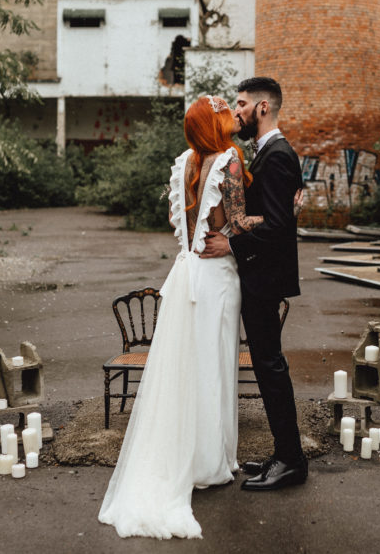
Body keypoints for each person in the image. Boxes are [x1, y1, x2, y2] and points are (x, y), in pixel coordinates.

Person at [98, 95, 262, 539]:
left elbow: (191, 225)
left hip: (188, 271)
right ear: (214, 124)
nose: (232, 115)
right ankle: (211, 462)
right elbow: (241, 220)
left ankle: (193, 456)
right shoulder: (228, 161)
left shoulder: (185, 165)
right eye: (224, 111)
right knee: (214, 365)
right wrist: (286, 215)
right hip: (217, 277)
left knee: (190, 367)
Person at [200, 76, 308, 492]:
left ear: (263, 107)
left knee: (270, 367)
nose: (237, 111)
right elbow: (275, 213)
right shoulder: (265, 154)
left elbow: (279, 227)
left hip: (265, 277)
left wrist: (230, 242)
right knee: (267, 367)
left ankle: (291, 460)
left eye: (242, 104)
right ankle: (283, 454)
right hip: (259, 273)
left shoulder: (278, 155)